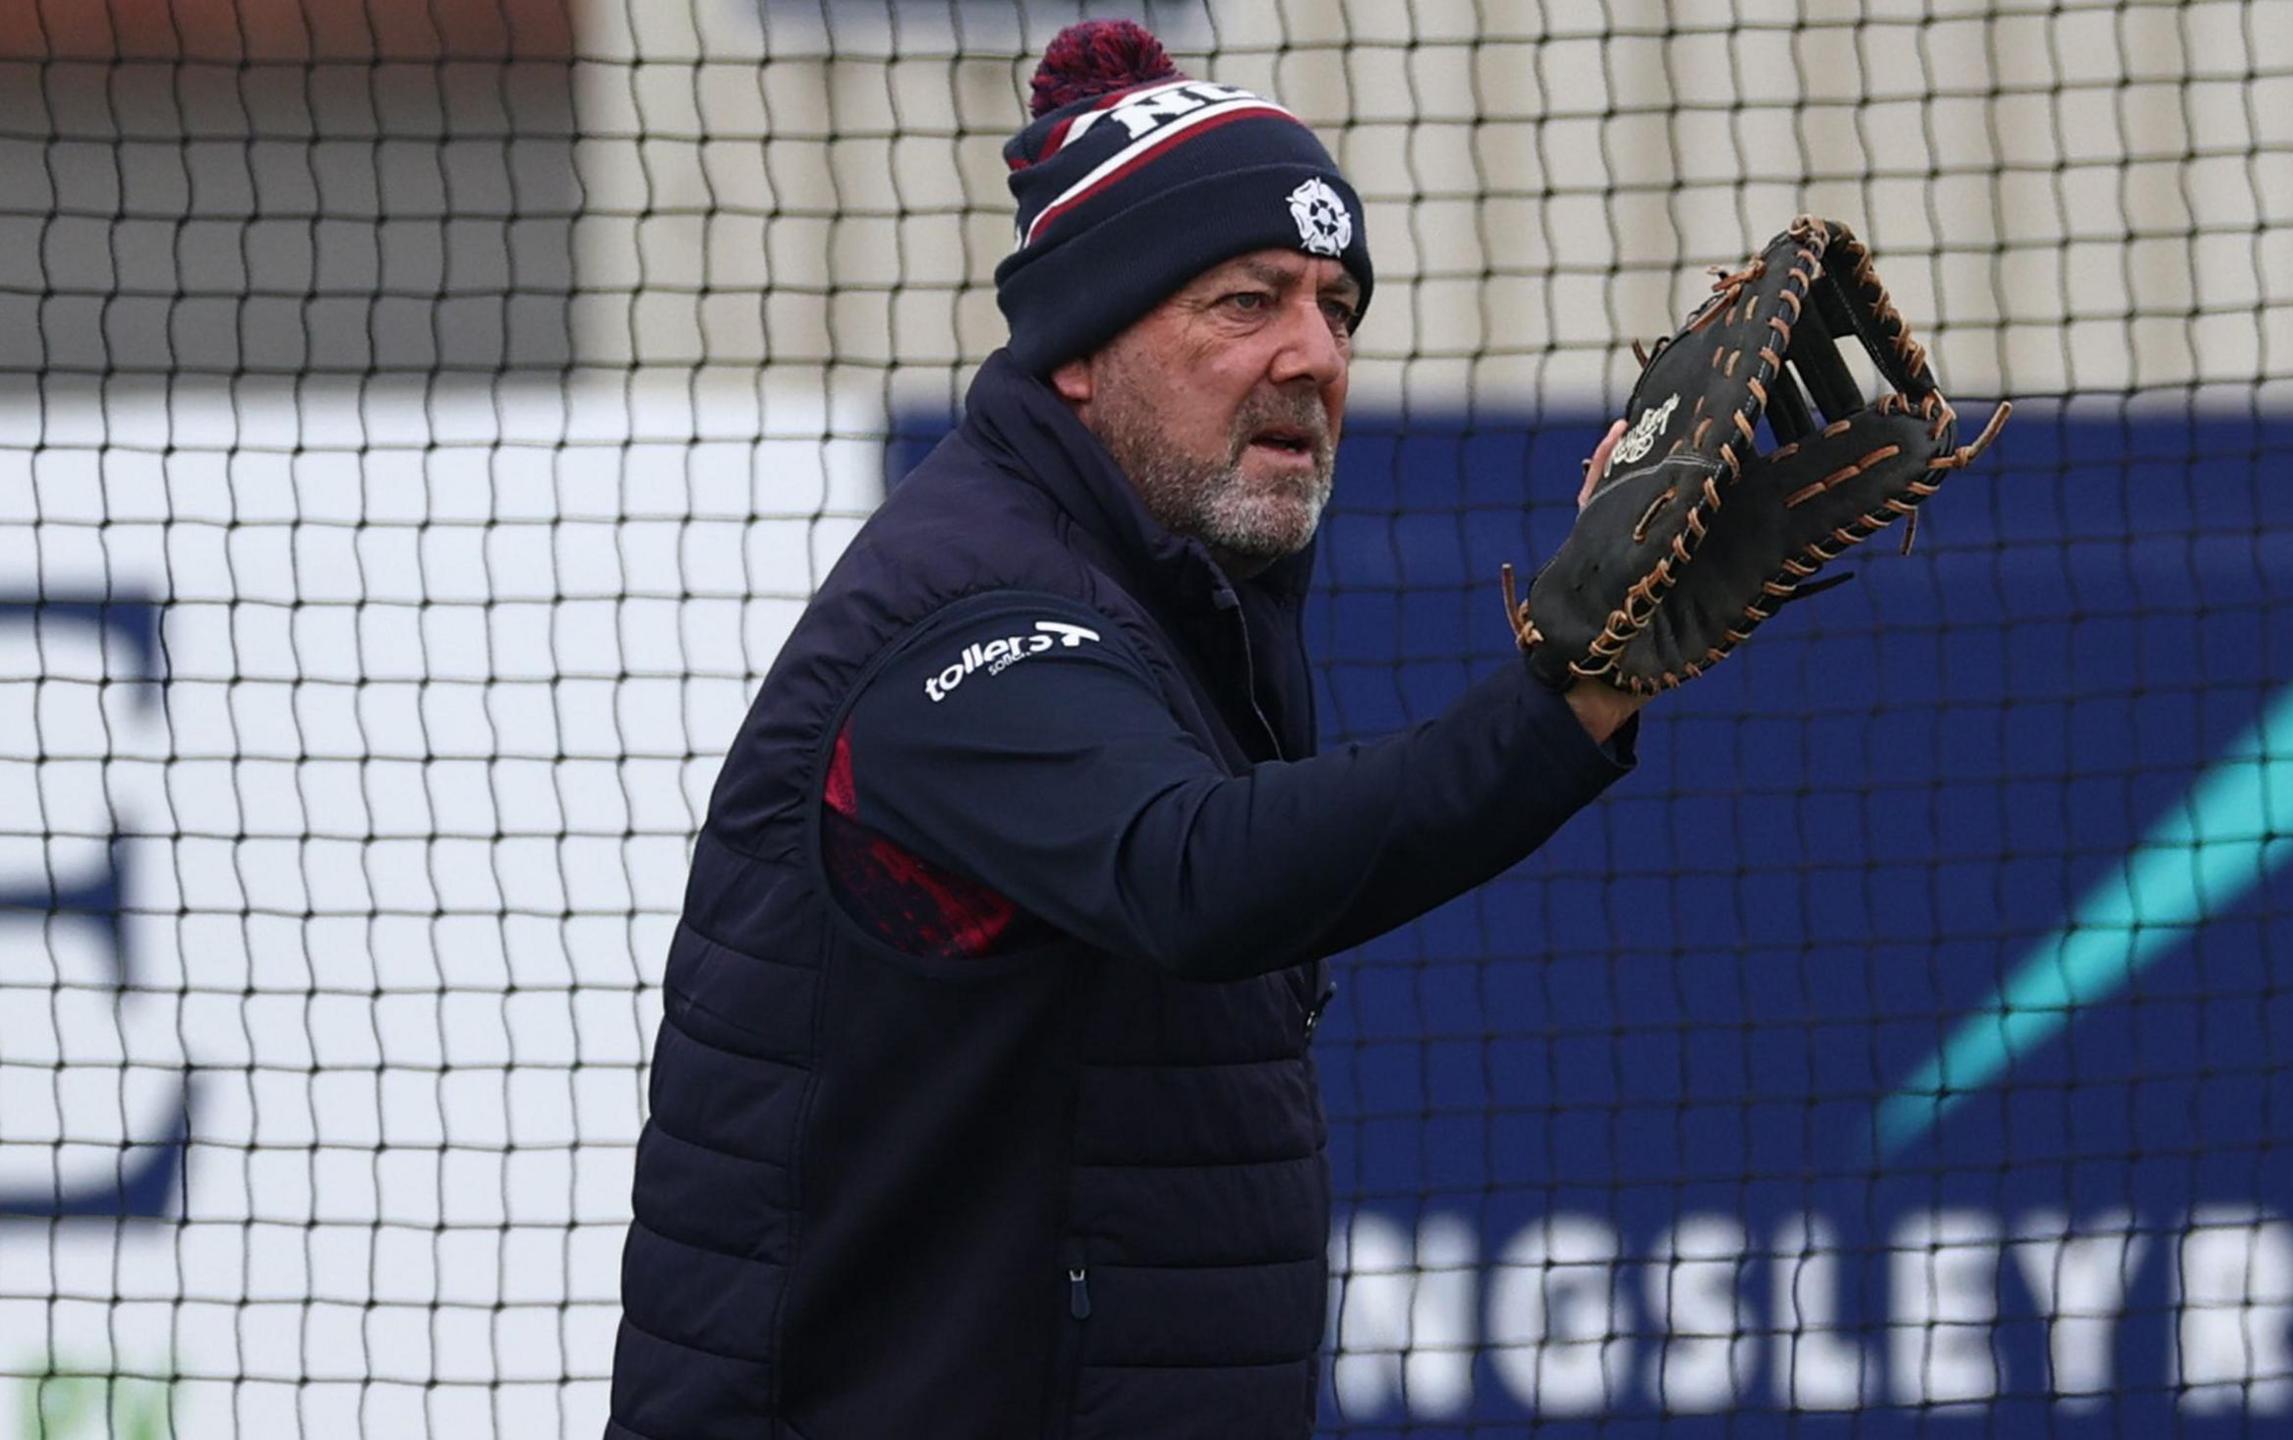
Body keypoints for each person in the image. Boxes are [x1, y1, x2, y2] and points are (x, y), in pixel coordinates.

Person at [606, 20, 1642, 1440]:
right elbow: (1196, 873)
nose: (1315, 354)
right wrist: (1567, 699)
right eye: (1245, 301)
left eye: (1338, 306)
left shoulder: (1173, 594)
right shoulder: (967, 611)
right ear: (1084, 348)